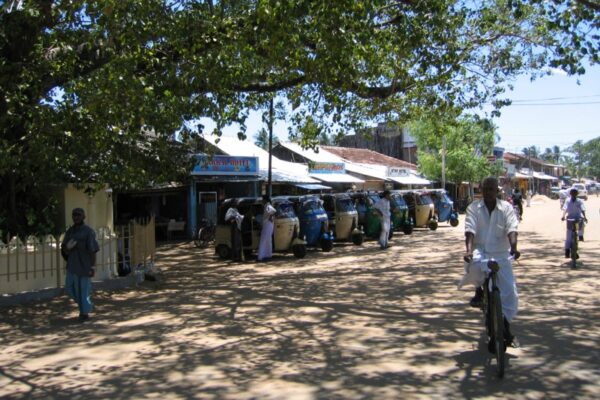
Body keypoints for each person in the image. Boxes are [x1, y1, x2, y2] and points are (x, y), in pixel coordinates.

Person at [461, 176, 520, 349]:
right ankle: (479, 291)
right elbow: (469, 231)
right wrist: (469, 251)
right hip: (481, 250)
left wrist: (514, 247)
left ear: (497, 191)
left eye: (491, 189)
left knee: (510, 294)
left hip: (501, 254)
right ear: (480, 190)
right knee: (474, 265)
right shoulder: (473, 208)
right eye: (485, 189)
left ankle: (506, 328)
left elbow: (512, 229)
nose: (487, 192)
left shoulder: (507, 208)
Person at [61, 208, 100, 322]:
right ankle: (85, 306)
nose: (76, 217)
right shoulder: (70, 231)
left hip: (84, 266)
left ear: (84, 216)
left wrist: (92, 267)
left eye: (78, 215)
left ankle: (84, 312)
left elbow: (92, 250)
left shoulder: (88, 232)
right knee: (69, 288)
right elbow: (63, 248)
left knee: (83, 291)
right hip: (72, 265)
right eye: (74, 215)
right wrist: (67, 247)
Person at [561, 188, 587, 258]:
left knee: (583, 223)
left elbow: (583, 209)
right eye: (572, 193)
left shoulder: (579, 201)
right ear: (570, 194)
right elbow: (565, 209)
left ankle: (580, 235)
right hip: (570, 218)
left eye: (575, 194)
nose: (573, 195)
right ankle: (567, 251)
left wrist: (585, 217)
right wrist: (563, 216)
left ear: (577, 194)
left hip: (578, 218)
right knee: (568, 236)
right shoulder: (567, 201)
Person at [257, 195, 277, 261]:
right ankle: (268, 255)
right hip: (268, 224)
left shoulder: (268, 205)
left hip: (267, 224)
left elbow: (273, 211)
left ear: (265, 200)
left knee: (263, 240)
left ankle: (261, 257)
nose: (262, 201)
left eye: (262, 200)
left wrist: (271, 217)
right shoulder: (267, 206)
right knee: (268, 240)